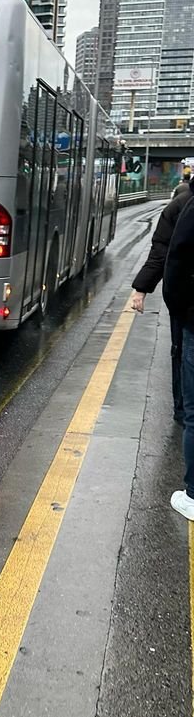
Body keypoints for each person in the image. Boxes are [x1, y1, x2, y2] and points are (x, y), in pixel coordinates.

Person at [131, 177, 194, 422]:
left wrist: (141, 289)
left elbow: (161, 251)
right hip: (185, 299)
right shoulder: (183, 205)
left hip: (184, 299)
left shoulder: (179, 205)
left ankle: (183, 410)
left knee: (181, 352)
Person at [162, 176, 194, 520]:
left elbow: (176, 260)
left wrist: (181, 313)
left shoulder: (188, 205)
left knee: (192, 413)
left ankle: (193, 495)